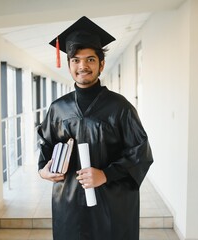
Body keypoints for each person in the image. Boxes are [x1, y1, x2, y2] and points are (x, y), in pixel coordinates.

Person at [37, 16, 153, 240]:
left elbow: (141, 154)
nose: (83, 66)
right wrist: (43, 170)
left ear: (101, 64)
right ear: (69, 64)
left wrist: (106, 175)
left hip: (111, 204)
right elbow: (45, 147)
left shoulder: (120, 108)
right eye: (76, 60)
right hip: (68, 203)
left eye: (90, 59)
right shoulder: (58, 109)